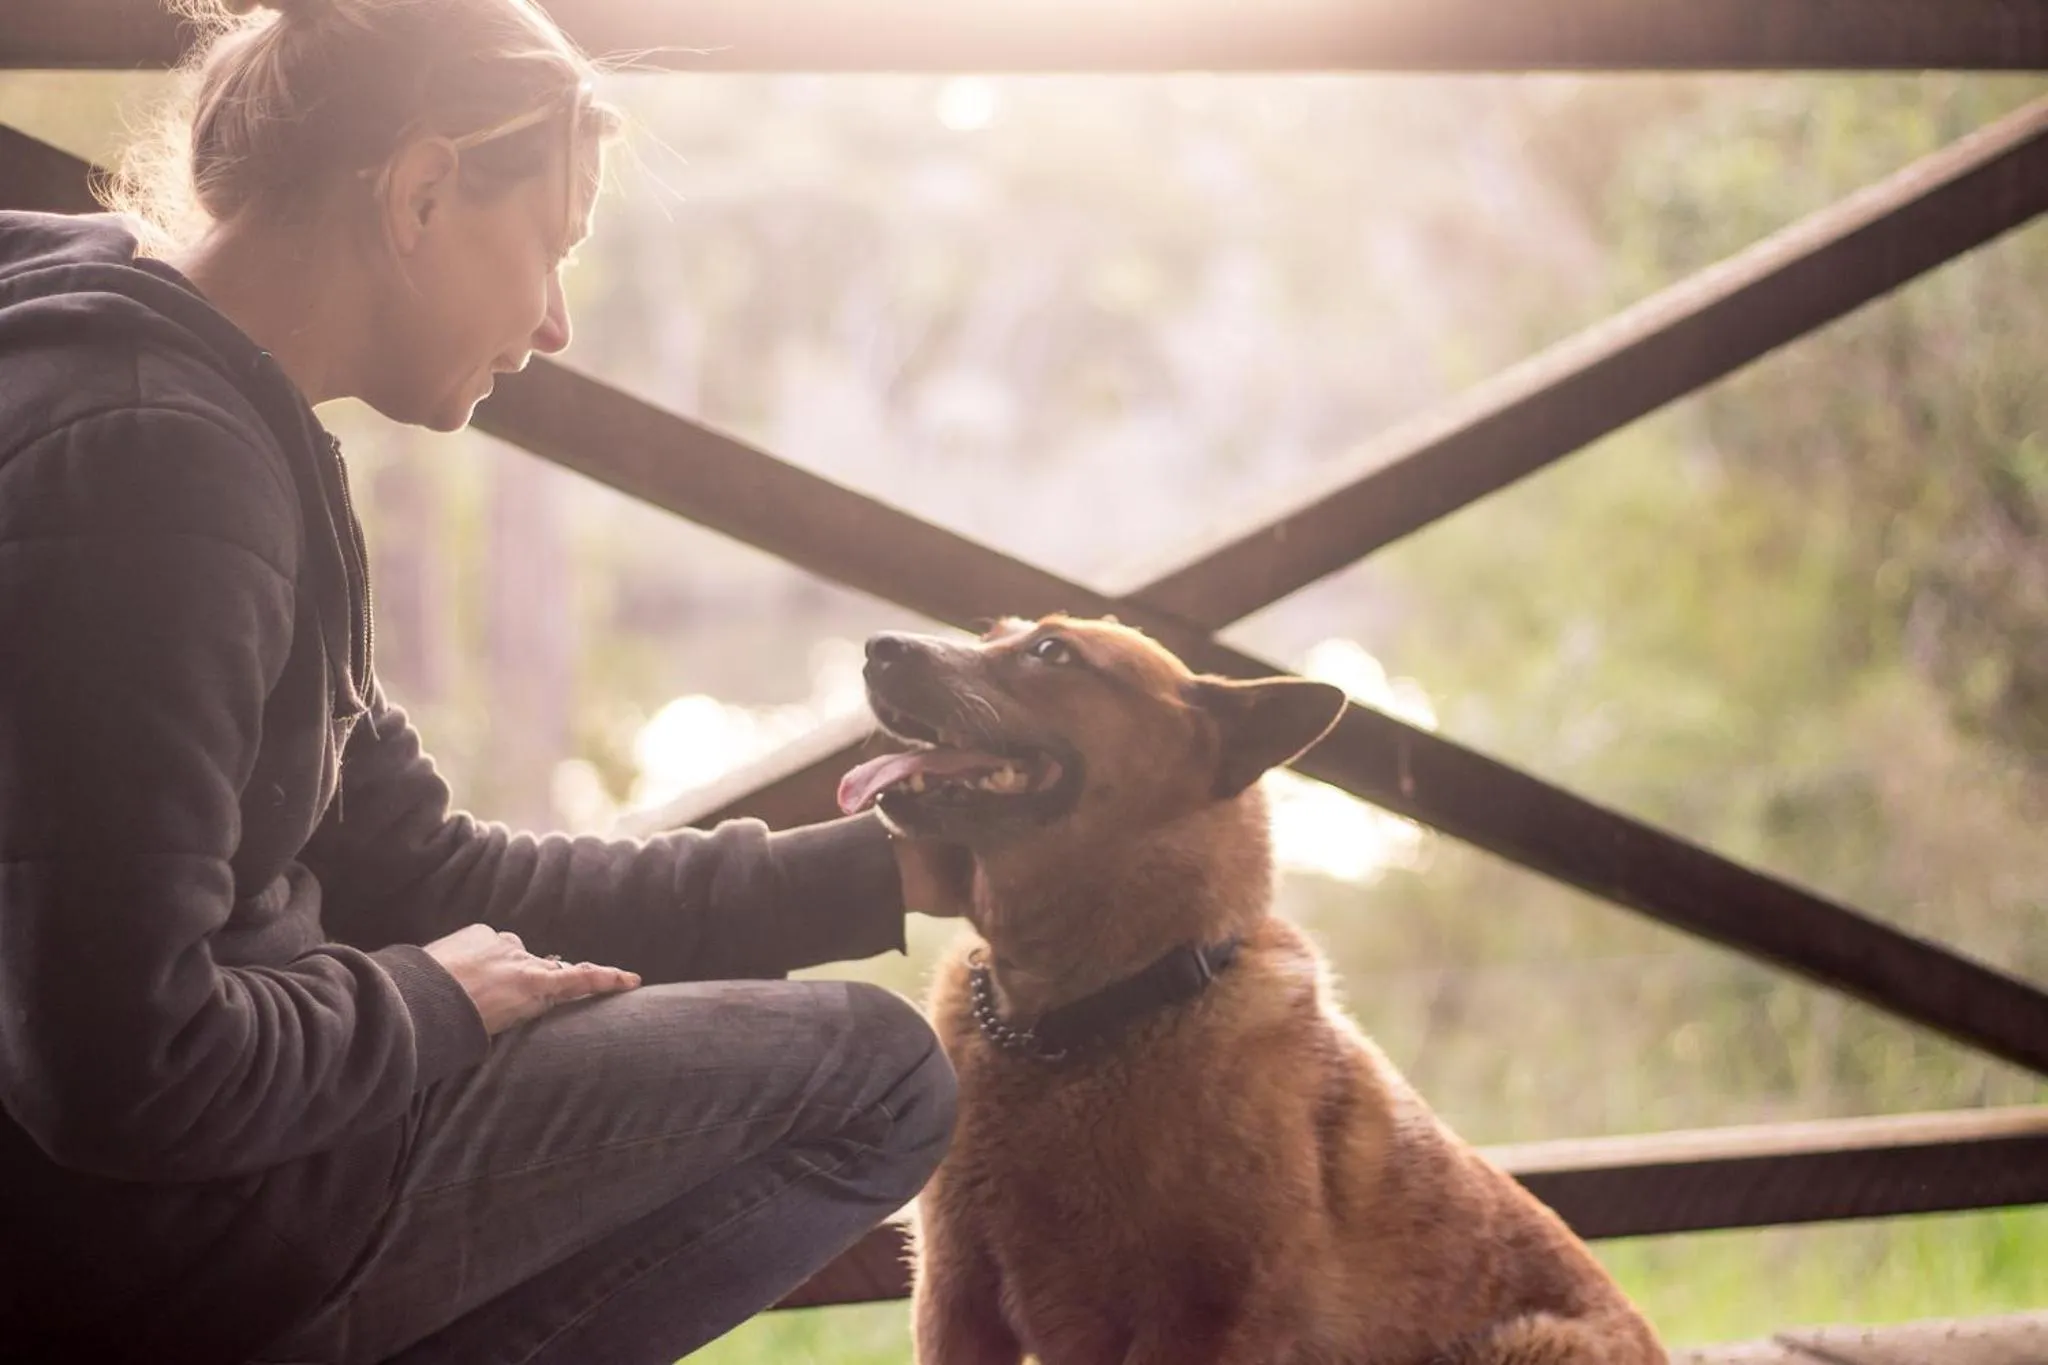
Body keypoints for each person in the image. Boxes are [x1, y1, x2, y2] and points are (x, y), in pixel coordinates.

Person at [0, 0, 959, 1360]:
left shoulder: (178, 404)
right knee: (879, 1077)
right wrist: (424, 1007)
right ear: (423, 191)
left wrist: (890, 871)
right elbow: (121, 1074)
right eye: (552, 249)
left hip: (170, 1183)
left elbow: (424, 871)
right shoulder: (157, 471)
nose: (557, 322)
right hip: (143, 1247)